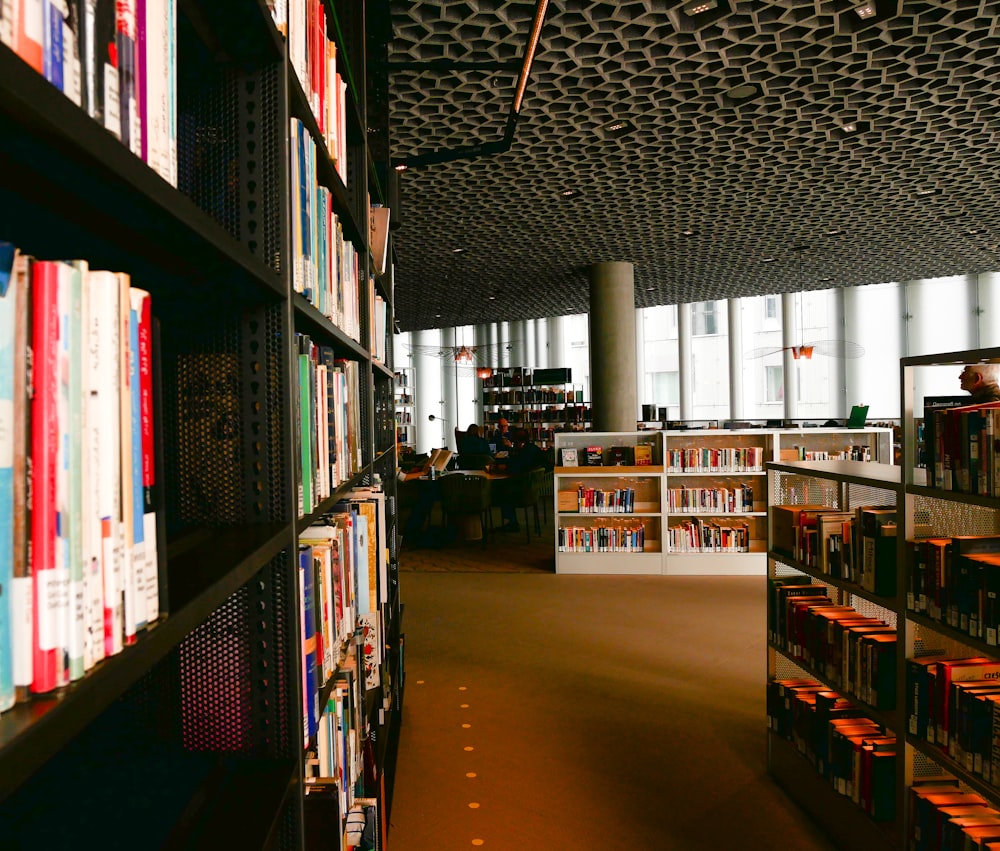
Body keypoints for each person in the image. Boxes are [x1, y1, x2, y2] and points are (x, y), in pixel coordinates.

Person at [498, 429, 546, 533]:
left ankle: (512, 522)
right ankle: (511, 522)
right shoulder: (533, 449)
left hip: (523, 489)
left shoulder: (524, 452)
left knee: (501, 492)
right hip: (534, 488)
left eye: (514, 442)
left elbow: (517, 467)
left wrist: (504, 465)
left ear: (519, 442)